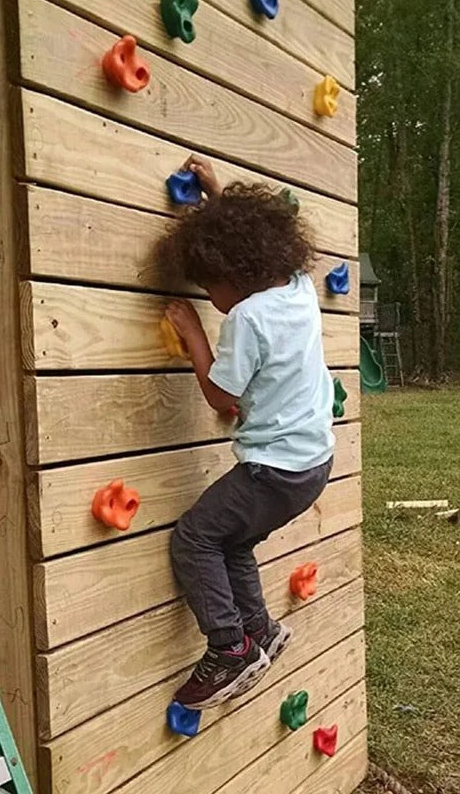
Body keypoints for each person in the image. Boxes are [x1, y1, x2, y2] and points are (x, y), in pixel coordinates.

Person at [160, 155, 335, 709]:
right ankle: (259, 629)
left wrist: (191, 333)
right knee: (231, 541)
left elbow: (221, 395)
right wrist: (217, 196)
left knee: (194, 538)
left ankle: (229, 649)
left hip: (273, 470)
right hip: (312, 464)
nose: (211, 300)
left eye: (211, 289)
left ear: (234, 277)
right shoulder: (300, 287)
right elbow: (250, 239)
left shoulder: (248, 319)